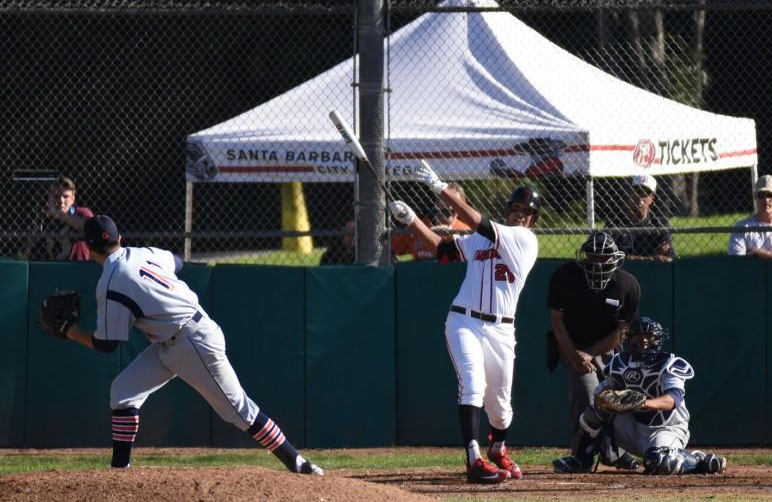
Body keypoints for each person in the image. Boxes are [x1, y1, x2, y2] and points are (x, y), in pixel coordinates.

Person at [60, 215, 324, 475]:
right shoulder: (142, 253)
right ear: (120, 238)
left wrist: (70, 332)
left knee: (238, 410)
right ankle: (119, 472)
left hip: (192, 342)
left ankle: (297, 462)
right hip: (172, 341)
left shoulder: (109, 281)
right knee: (123, 391)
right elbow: (177, 262)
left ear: (89, 248)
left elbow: (107, 345)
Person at [388, 161, 540, 484]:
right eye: (516, 208)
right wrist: (412, 220)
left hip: (501, 329)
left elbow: (475, 219)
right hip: (463, 321)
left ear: (532, 219)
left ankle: (497, 449)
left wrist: (439, 187)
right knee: (472, 384)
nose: (520, 215)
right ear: (509, 209)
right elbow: (443, 251)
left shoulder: (526, 241)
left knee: (500, 409)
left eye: (526, 212)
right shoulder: (482, 240)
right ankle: (474, 460)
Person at [552, 317, 727, 475]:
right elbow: (600, 396)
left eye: (649, 336)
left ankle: (698, 459)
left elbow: (672, 400)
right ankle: (582, 460)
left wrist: (644, 402)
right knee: (595, 411)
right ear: (629, 338)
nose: (644, 340)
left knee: (660, 462)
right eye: (638, 335)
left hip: (666, 427)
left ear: (658, 340)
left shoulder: (669, 364)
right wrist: (608, 400)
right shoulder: (619, 362)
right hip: (632, 427)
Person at [547, 231, 641, 469]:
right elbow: (557, 321)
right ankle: (582, 454)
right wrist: (573, 355)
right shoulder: (565, 277)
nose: (598, 263)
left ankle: (615, 453)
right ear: (584, 256)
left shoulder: (627, 284)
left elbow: (623, 331)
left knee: (618, 397)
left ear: (615, 258)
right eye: (593, 257)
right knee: (586, 393)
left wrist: (593, 353)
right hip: (574, 343)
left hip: (610, 348)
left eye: (605, 258)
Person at [391, 183, 471, 261]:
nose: (449, 207)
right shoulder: (420, 225)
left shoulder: (466, 230)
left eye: (455, 203)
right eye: (445, 201)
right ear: (436, 203)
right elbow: (390, 248)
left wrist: (451, 236)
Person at [22, 176, 94, 260]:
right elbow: (27, 251)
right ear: (49, 198)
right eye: (56, 196)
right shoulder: (43, 217)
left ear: (73, 199)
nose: (61, 201)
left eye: (66, 196)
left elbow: (91, 227)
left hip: (78, 267)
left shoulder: (80, 212)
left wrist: (57, 214)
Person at [607, 175, 675, 262]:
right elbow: (609, 257)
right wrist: (653, 257)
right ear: (630, 194)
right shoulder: (615, 223)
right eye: (637, 191)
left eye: (645, 193)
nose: (640, 197)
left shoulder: (660, 224)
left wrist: (628, 257)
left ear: (651, 199)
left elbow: (669, 259)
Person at [728, 175, 772, 258]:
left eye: (770, 195)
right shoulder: (742, 227)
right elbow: (737, 262)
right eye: (761, 195)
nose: (765, 199)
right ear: (755, 196)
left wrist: (757, 254)